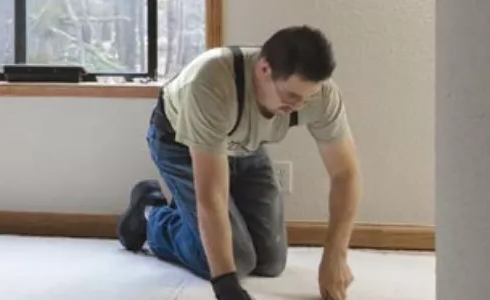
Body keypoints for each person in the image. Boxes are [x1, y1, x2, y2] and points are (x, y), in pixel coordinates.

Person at [117, 26, 360, 300]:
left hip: (244, 145)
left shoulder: (321, 95)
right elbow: (212, 196)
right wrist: (226, 286)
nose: (301, 107)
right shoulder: (211, 83)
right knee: (237, 259)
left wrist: (336, 255)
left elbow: (345, 174)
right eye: (291, 97)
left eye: (309, 98)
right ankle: (150, 213)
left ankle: (189, 216)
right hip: (180, 143)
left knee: (271, 262)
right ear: (264, 70)